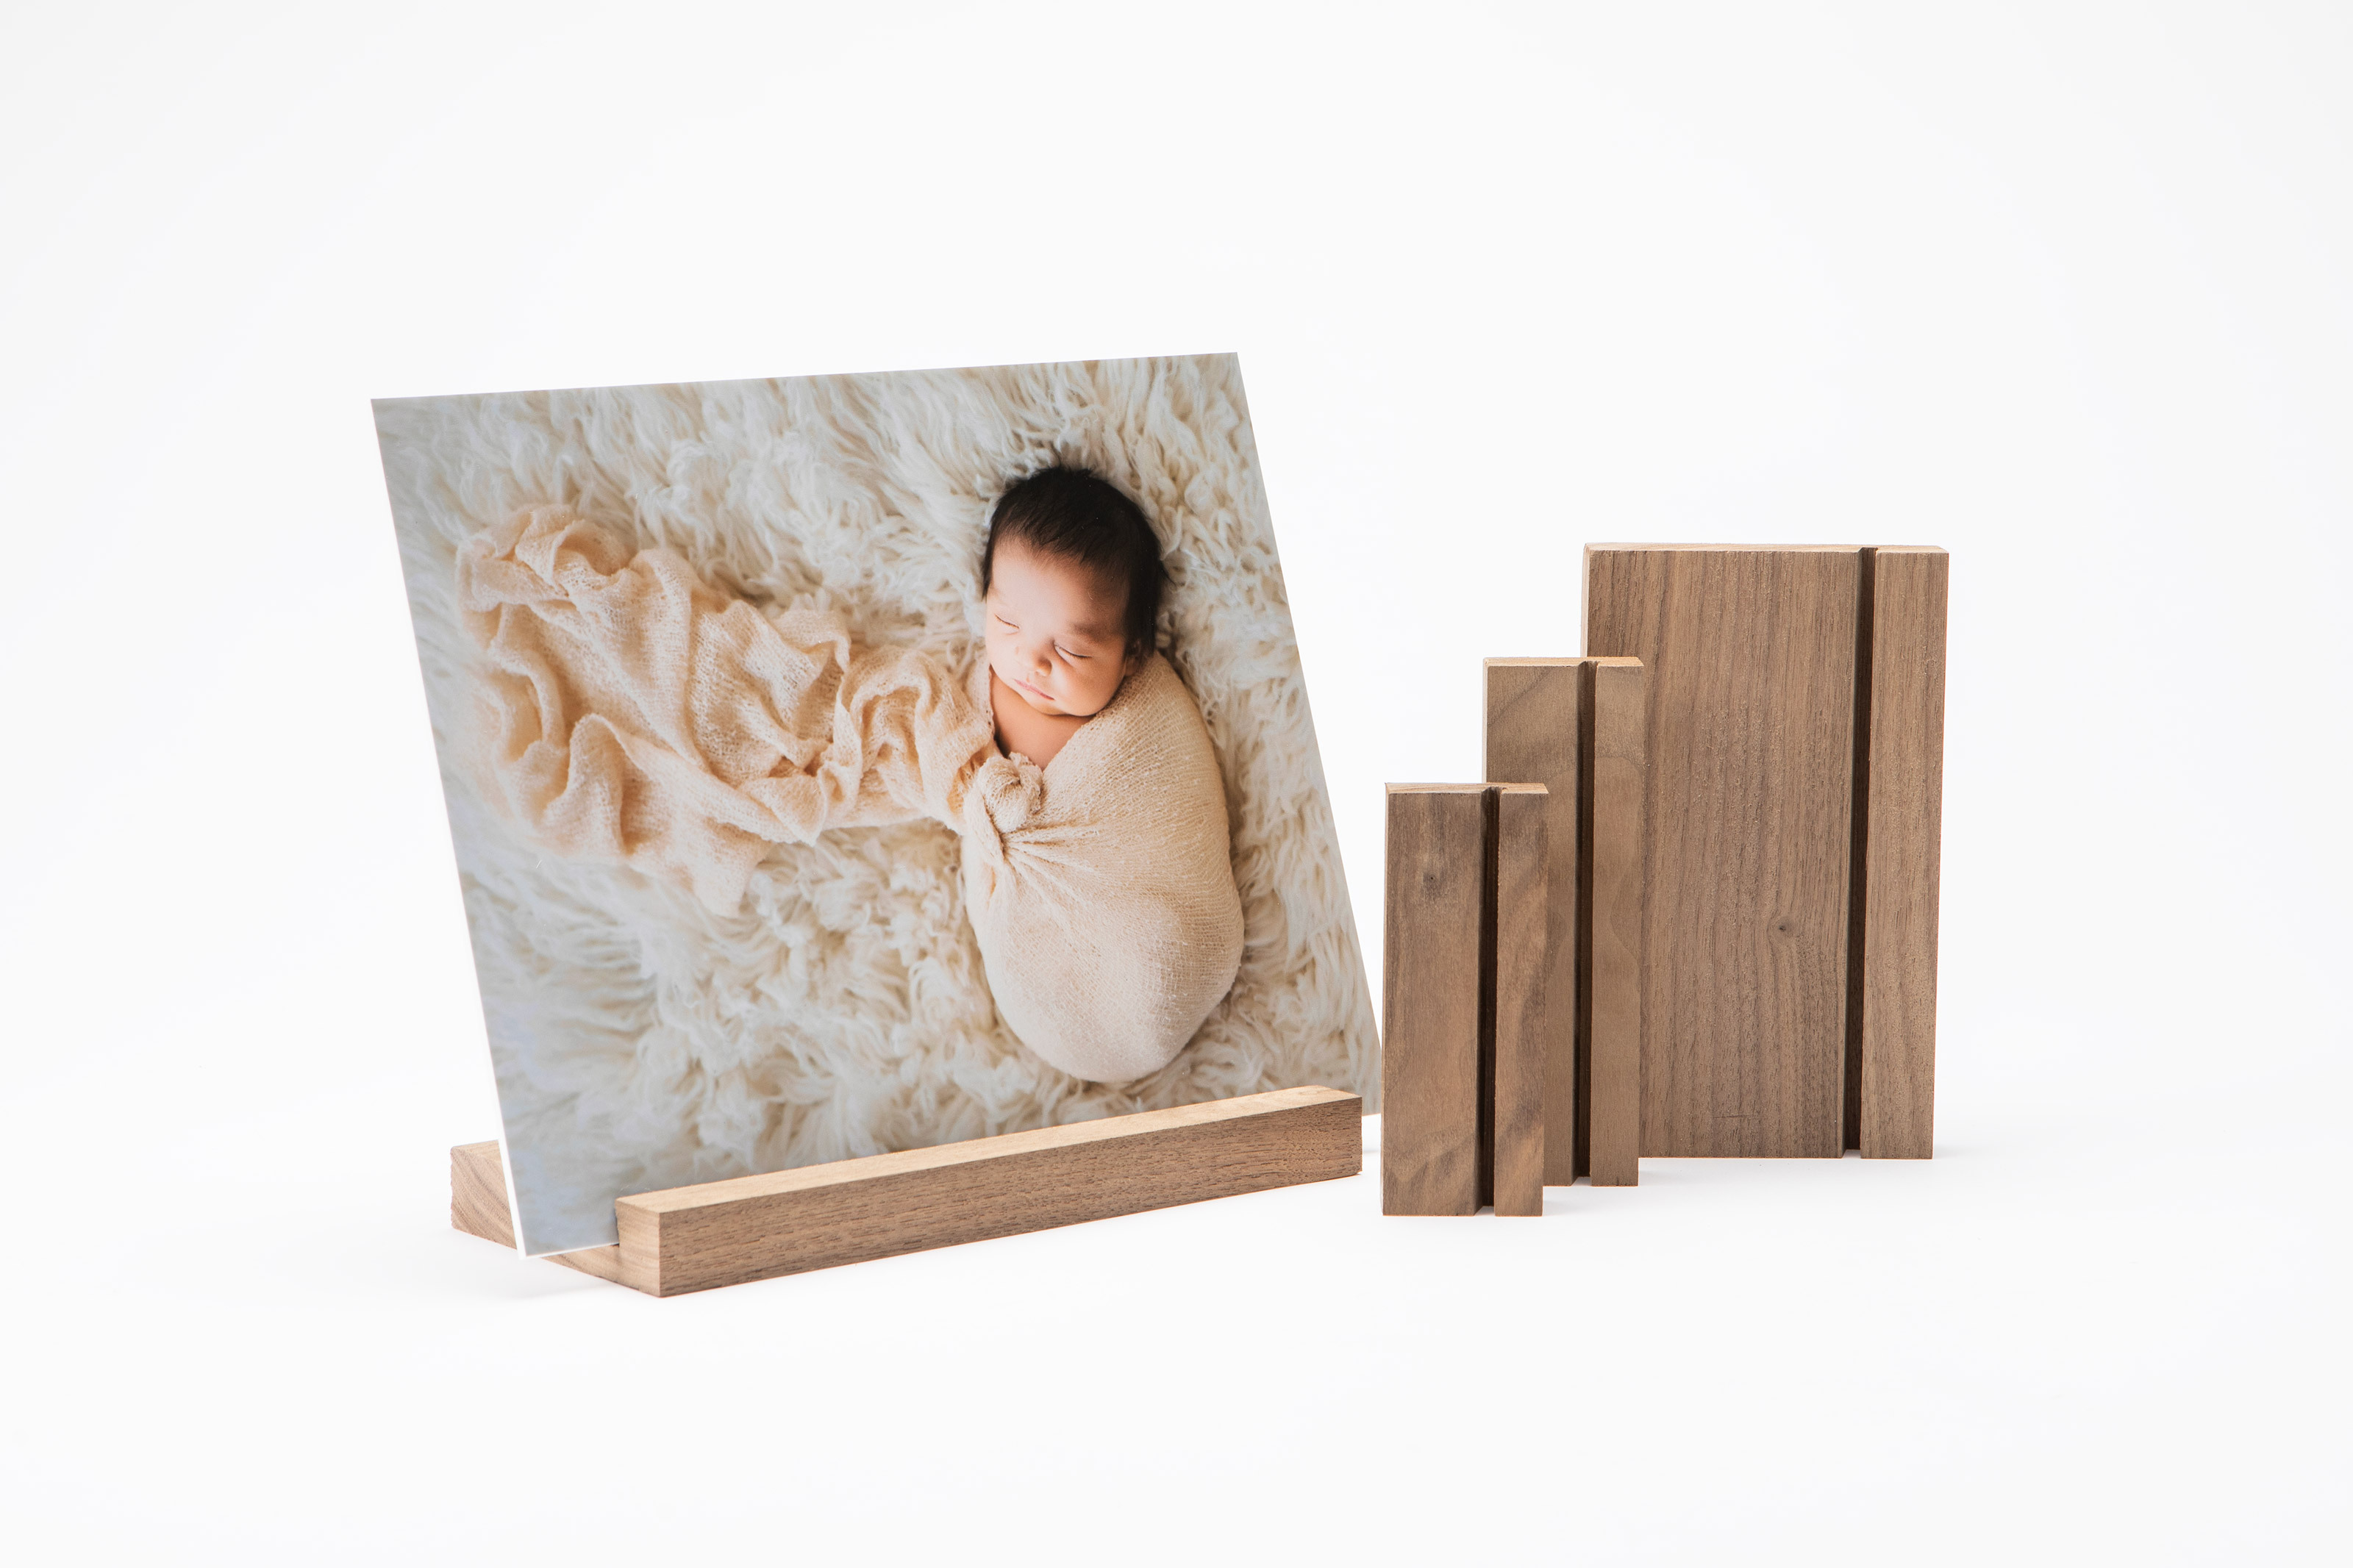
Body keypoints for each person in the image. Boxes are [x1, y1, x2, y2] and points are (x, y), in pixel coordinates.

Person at [979, 467, 1165, 769]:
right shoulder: (972, 683)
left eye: (1071, 650)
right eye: (1008, 623)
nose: (1031, 660)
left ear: (1133, 652)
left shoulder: (1131, 733)